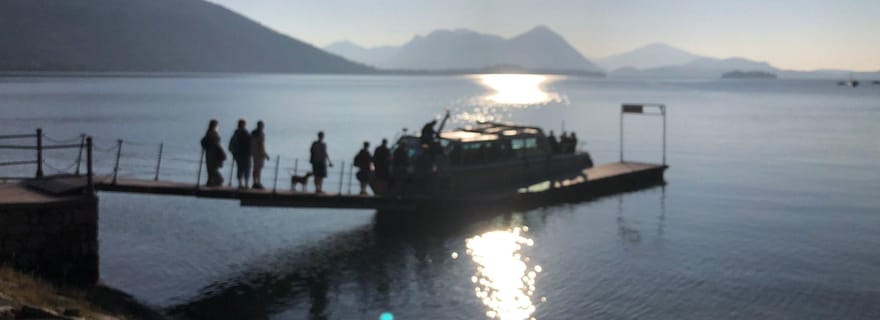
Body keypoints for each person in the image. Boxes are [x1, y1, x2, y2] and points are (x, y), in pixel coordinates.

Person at [201, 119, 226, 187]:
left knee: (210, 168)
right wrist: (222, 154)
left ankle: (210, 181)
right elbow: (216, 145)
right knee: (213, 168)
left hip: (209, 153)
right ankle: (219, 180)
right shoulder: (213, 134)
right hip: (213, 153)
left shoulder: (208, 133)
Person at [228, 119, 252, 189]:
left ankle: (240, 184)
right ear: (244, 124)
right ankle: (246, 184)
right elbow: (249, 142)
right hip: (245, 154)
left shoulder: (236, 133)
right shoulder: (245, 133)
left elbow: (231, 145)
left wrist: (234, 153)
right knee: (247, 168)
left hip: (237, 154)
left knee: (240, 169)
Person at [250, 120, 270, 189]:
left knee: (255, 168)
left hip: (254, 153)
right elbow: (261, 145)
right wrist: (265, 154)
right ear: (261, 126)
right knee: (259, 168)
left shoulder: (253, 133)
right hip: (259, 153)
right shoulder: (260, 134)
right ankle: (258, 182)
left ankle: (254, 182)